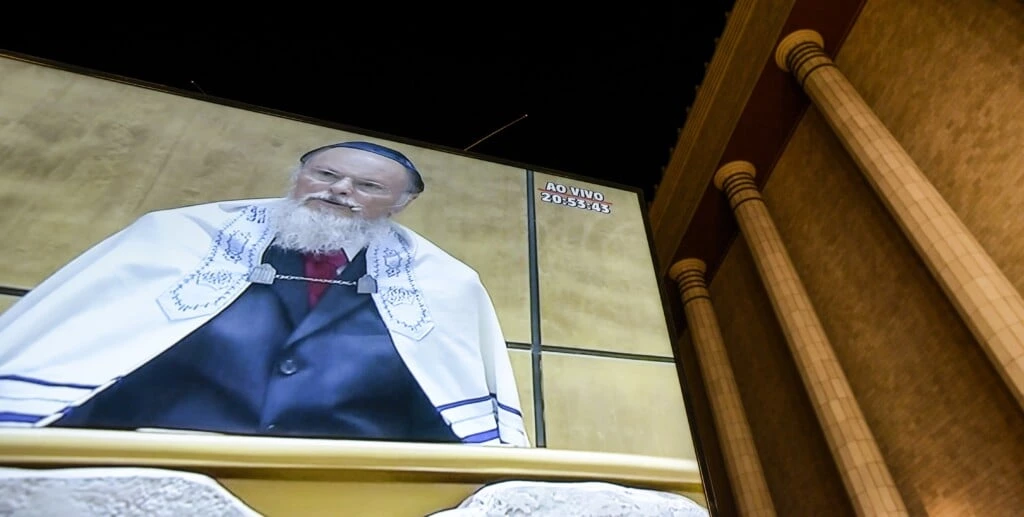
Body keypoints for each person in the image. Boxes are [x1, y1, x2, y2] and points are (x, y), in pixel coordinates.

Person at [0, 141, 530, 447]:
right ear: (299, 177)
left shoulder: (444, 283)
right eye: (326, 174)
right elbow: (86, 355)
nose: (340, 190)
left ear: (399, 206)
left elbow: (453, 413)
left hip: (346, 488)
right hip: (157, 468)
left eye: (368, 187)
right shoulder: (176, 238)